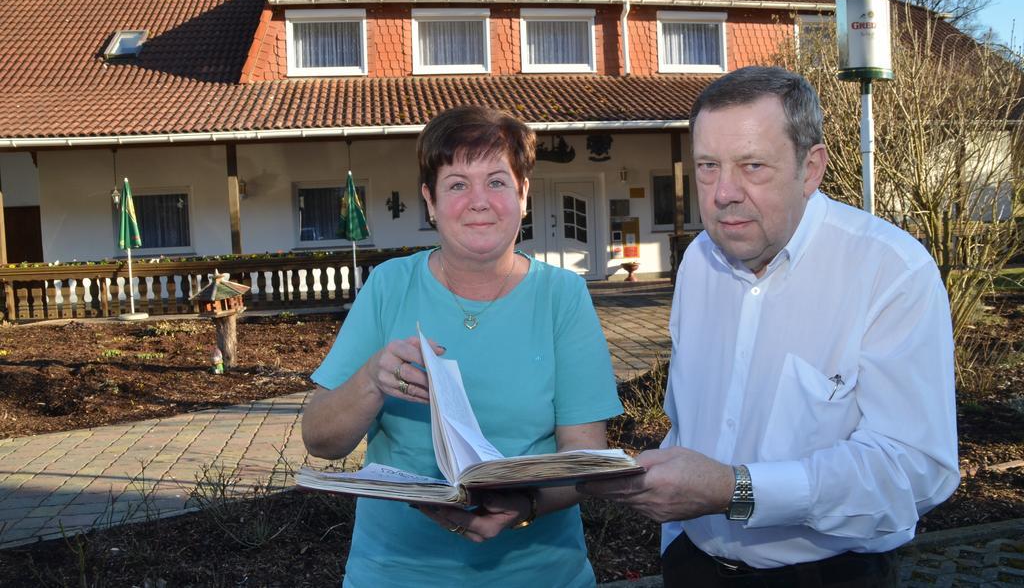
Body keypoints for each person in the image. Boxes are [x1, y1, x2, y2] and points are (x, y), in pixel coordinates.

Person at [582, 66, 959, 586]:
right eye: (708, 166)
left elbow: (915, 471)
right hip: (692, 564)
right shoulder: (698, 262)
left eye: (752, 166)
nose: (722, 193)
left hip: (828, 575)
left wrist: (736, 490)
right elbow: (687, 421)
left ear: (811, 168)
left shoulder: (890, 271)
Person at [301, 105, 623, 588]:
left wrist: (527, 504)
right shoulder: (390, 285)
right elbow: (320, 440)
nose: (479, 201)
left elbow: (584, 455)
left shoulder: (562, 295)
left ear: (523, 194)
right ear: (430, 201)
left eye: (496, 181)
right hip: (395, 571)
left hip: (541, 574)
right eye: (457, 184)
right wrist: (371, 379)